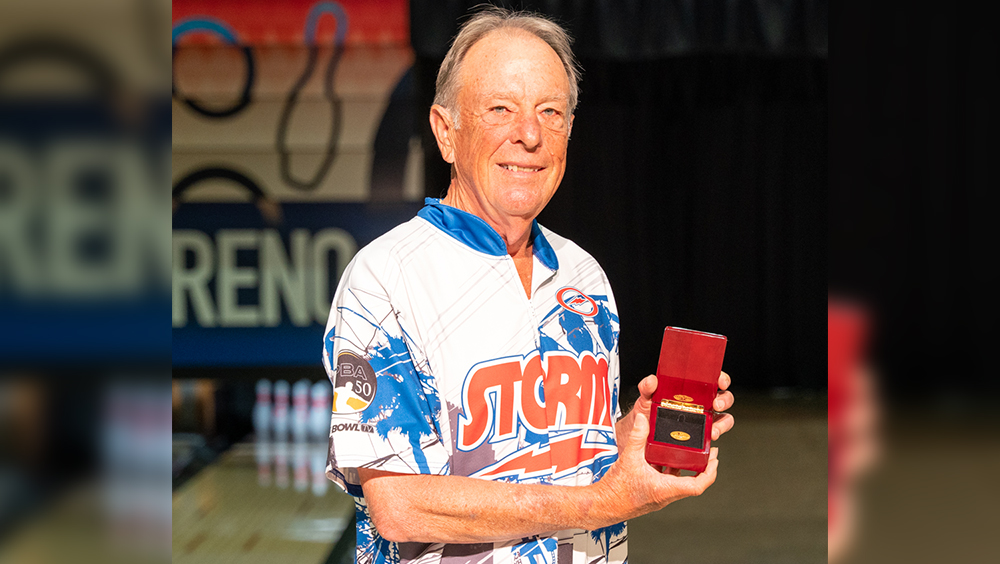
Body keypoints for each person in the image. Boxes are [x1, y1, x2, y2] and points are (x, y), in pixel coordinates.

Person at [322, 7, 735, 564]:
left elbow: (569, 458)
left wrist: (629, 434)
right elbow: (399, 505)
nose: (530, 135)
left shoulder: (584, 274)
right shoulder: (384, 279)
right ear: (446, 132)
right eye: (501, 109)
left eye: (551, 112)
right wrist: (601, 504)